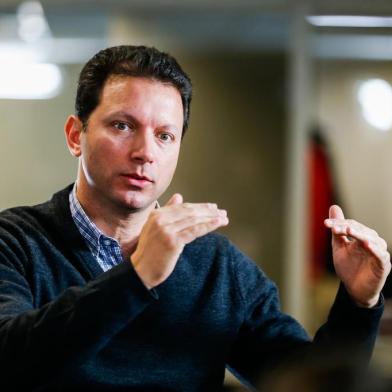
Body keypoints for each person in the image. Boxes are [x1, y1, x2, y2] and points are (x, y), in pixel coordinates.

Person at [0, 45, 389, 391]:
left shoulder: (218, 266)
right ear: (75, 135)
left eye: (165, 135)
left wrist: (359, 302)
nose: (144, 152)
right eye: (122, 126)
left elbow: (308, 381)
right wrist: (137, 277)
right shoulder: (15, 242)